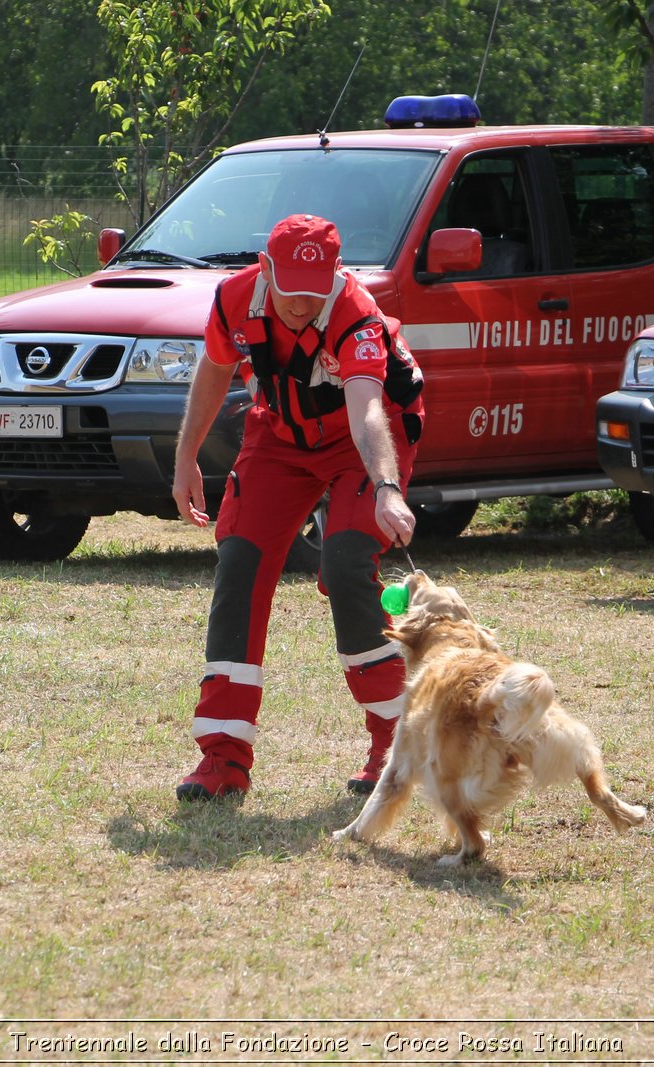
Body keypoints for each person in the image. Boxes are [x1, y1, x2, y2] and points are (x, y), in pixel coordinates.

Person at [171, 213, 426, 802]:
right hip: (280, 435)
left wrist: (386, 487)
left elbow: (367, 410)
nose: (300, 304)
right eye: (289, 290)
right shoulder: (235, 298)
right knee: (239, 567)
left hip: (364, 441)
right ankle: (223, 758)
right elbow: (213, 369)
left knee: (343, 565)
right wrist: (185, 460)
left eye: (314, 292)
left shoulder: (356, 315)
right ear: (265, 270)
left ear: (334, 276)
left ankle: (394, 739)